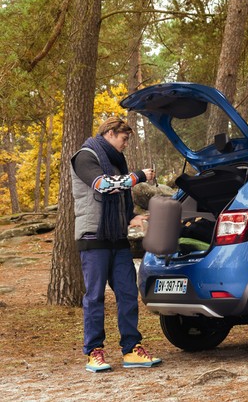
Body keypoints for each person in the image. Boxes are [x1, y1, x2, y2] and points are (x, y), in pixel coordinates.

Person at [71, 117, 161, 372]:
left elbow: (119, 199)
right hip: (93, 238)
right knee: (95, 297)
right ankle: (94, 352)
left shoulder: (115, 160)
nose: (125, 144)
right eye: (124, 138)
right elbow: (103, 185)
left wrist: (131, 217)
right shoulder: (85, 156)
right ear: (110, 133)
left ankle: (132, 349)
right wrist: (139, 177)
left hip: (117, 238)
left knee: (128, 293)